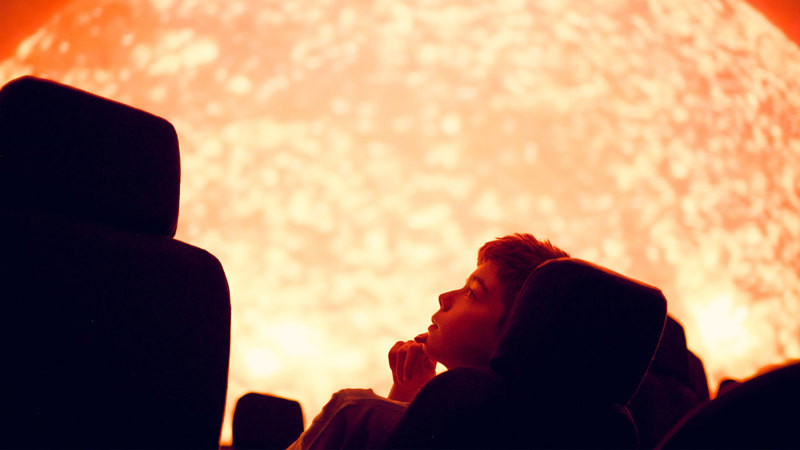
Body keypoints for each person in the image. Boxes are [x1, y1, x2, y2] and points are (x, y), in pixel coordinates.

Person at [288, 233, 569, 449]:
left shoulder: (355, 414)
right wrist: (410, 398)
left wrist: (397, 406)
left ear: (514, 332)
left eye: (472, 292)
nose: (444, 298)